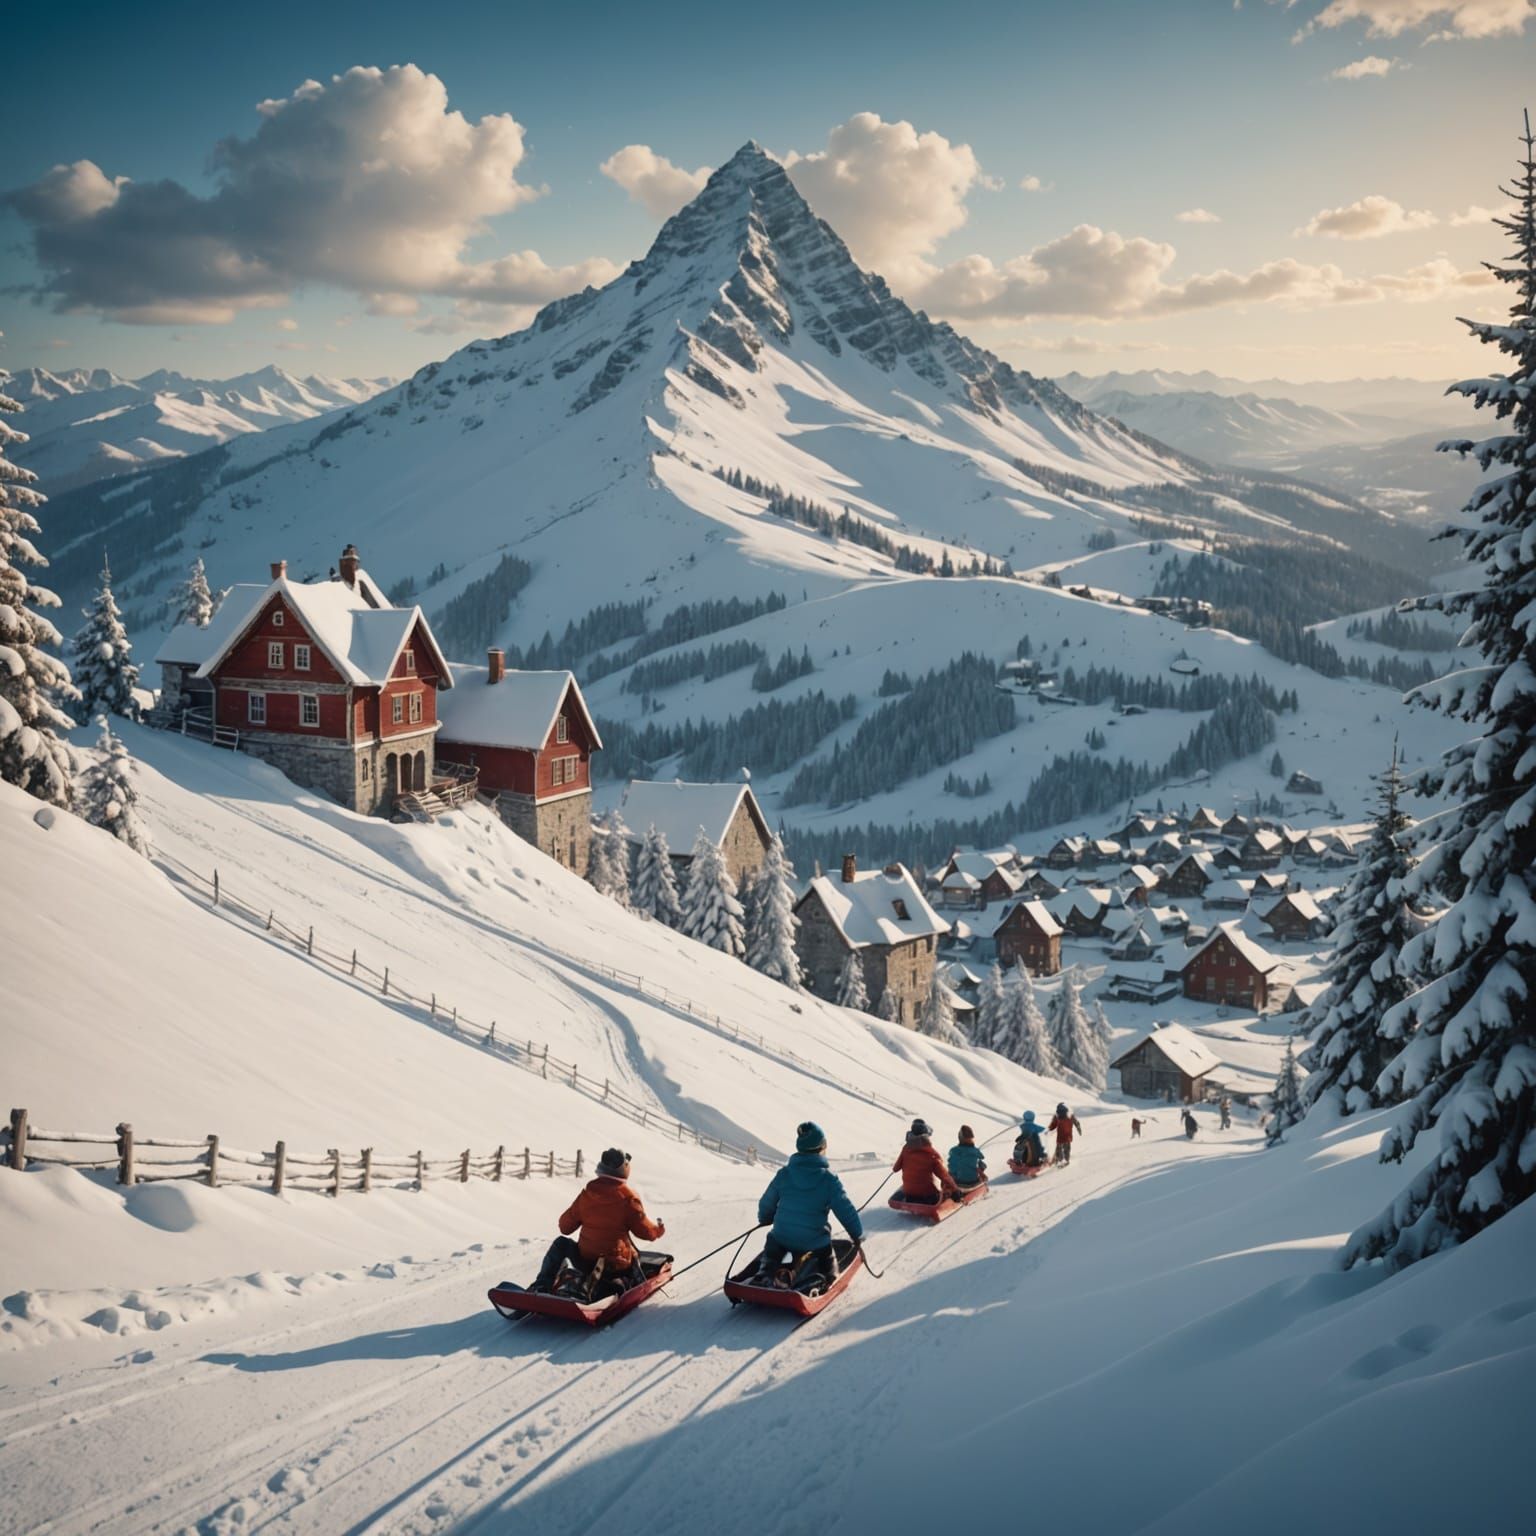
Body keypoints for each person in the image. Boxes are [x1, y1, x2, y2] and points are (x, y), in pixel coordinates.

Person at [534, 1148, 664, 1298]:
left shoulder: (587, 1194)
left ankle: (542, 1285)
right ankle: (614, 1285)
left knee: (561, 1243)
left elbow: (565, 1227)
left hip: (585, 1262)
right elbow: (646, 1233)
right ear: (625, 1169)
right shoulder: (629, 1199)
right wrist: (658, 1230)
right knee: (633, 1258)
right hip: (614, 1267)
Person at [755, 1122, 863, 1290]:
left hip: (781, 1237)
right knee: (829, 1267)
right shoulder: (829, 1180)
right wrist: (857, 1234)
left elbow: (766, 1202)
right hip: (813, 1241)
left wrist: (765, 1218)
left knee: (773, 1244)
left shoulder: (784, 1174)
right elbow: (845, 1210)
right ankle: (820, 1280)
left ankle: (765, 1273)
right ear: (822, 1148)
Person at [893, 1118, 964, 1204]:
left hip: (909, 1196)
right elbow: (944, 1176)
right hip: (928, 1197)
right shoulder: (931, 1153)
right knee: (946, 1189)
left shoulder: (905, 1149)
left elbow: (895, 1168)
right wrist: (955, 1189)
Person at [947, 1125, 988, 1190]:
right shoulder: (975, 1151)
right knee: (981, 1165)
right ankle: (981, 1186)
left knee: (951, 1170)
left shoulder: (954, 1151)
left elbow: (951, 1167)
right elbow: (981, 1160)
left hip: (959, 1183)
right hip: (974, 1181)